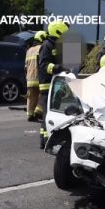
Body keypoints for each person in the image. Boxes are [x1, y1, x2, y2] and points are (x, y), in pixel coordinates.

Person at [38, 21, 70, 149]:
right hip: (47, 85)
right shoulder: (47, 45)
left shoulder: (56, 45)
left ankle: (49, 138)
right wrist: (59, 67)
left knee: (54, 113)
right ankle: (45, 140)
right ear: (58, 32)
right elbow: (44, 65)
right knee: (47, 113)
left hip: (55, 84)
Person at [24, 30, 47, 121]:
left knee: (31, 97)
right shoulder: (42, 48)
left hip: (30, 78)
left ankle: (30, 115)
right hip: (39, 77)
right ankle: (38, 112)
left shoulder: (29, 50)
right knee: (43, 95)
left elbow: (25, 66)